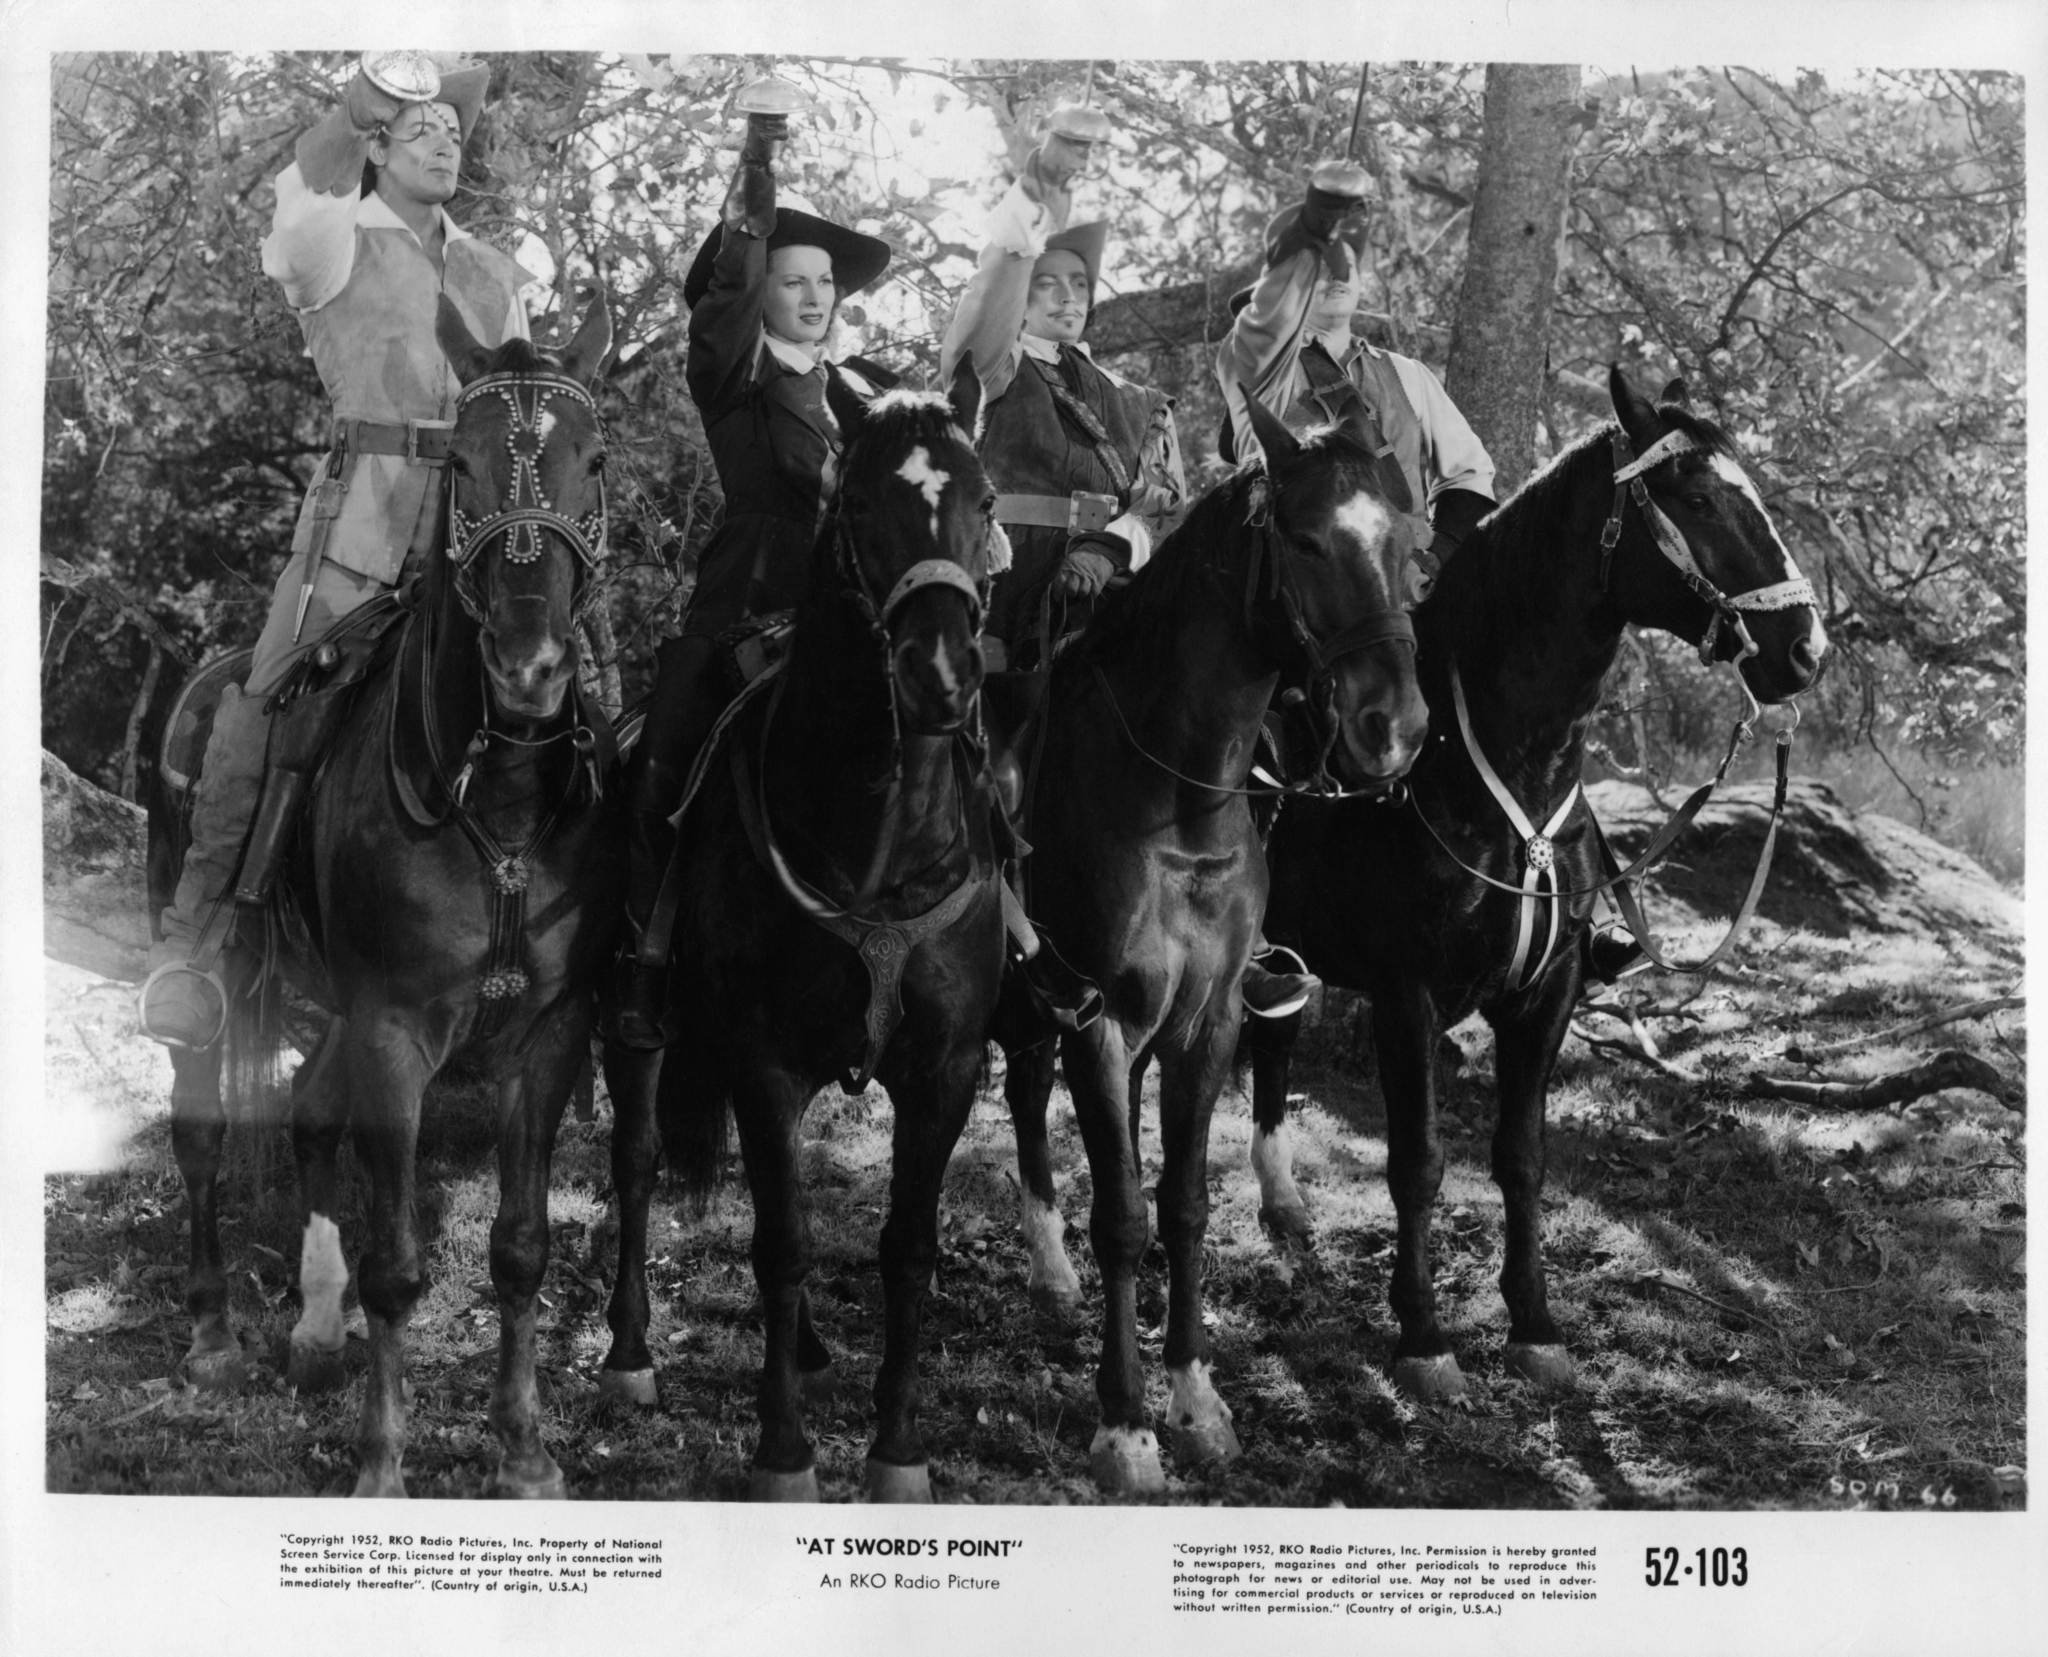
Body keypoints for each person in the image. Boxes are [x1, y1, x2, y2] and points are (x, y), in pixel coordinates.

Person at [139, 52, 536, 1049]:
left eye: (453, 130)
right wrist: (369, 91)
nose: (444, 141)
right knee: (264, 704)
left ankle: (555, 950)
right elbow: (303, 192)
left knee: (554, 704)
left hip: (479, 532)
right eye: (419, 129)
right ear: (377, 145)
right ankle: (199, 949)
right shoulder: (330, 236)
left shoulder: (493, 269)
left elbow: (527, 402)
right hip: (360, 523)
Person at [607, 100, 895, 1051]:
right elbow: (724, 294)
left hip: (860, 616)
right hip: (749, 605)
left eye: (824, 284)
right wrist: (755, 175)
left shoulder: (874, 390)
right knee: (662, 764)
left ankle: (996, 948)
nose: (815, 298)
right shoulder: (735, 375)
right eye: (792, 281)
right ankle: (645, 963)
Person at [938, 119, 1186, 674]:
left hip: (1106, 596)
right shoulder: (996, 366)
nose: (1067, 296)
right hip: (999, 586)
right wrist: (1042, 189)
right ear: (1022, 298)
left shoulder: (1144, 402)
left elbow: (1161, 508)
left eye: (1078, 284)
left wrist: (1104, 553)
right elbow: (992, 298)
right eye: (1046, 283)